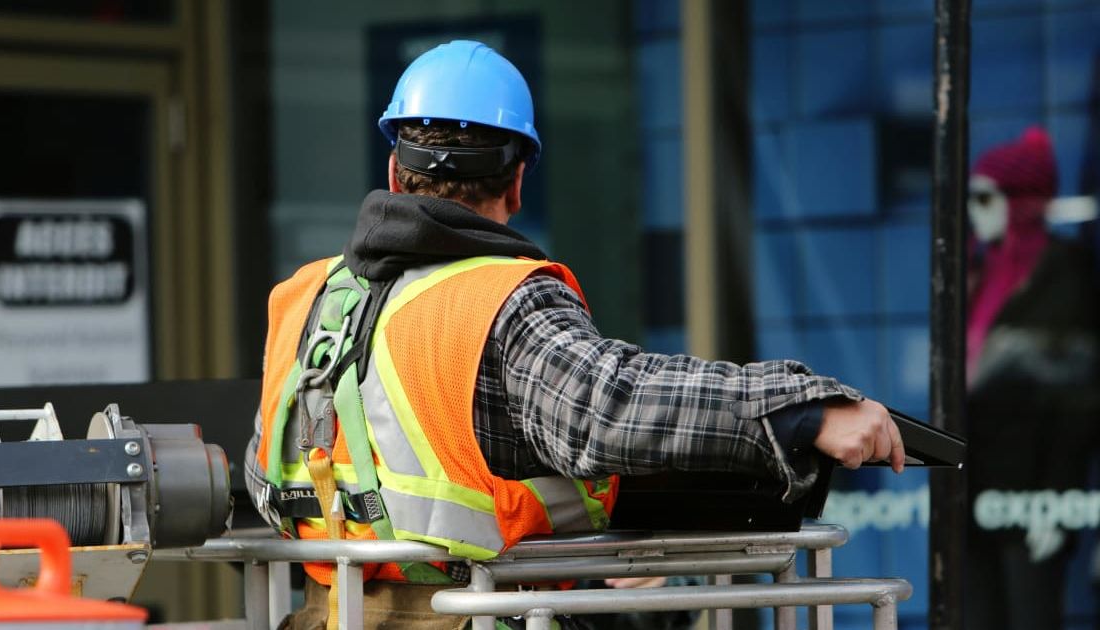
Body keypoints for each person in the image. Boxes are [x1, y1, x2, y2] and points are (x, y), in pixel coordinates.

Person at [244, 40, 905, 629]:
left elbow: (265, 474)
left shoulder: (304, 298)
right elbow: (608, 408)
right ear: (517, 182)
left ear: (394, 173)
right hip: (477, 617)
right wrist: (799, 410)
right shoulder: (501, 301)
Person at [963, 127, 1100, 630]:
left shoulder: (1065, 272)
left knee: (1031, 615)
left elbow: (1075, 399)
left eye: (985, 198)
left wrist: (1058, 501)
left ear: (1019, 202)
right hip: (974, 487)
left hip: (1033, 492)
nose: (974, 212)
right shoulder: (977, 273)